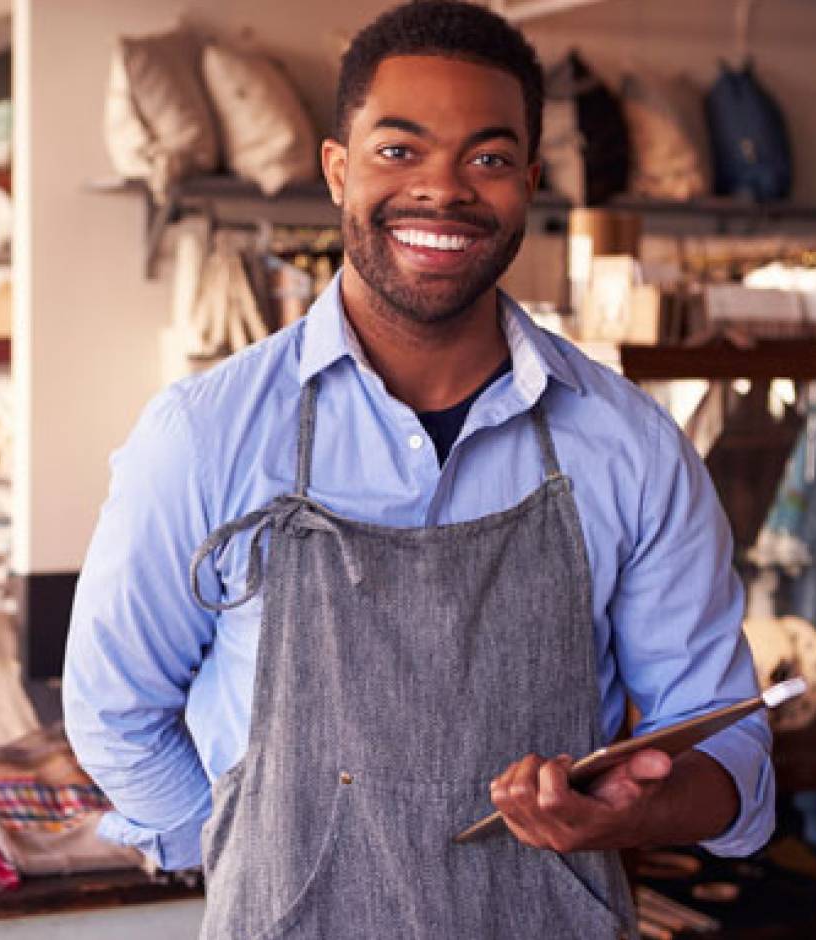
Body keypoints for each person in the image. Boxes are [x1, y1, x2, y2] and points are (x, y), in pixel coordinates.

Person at [63, 2, 773, 936]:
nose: (444, 190)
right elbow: (116, 709)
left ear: (528, 180)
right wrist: (252, 851)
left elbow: (730, 744)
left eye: (486, 157)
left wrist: (637, 811)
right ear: (337, 170)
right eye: (400, 151)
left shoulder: (629, 445)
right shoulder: (204, 436)